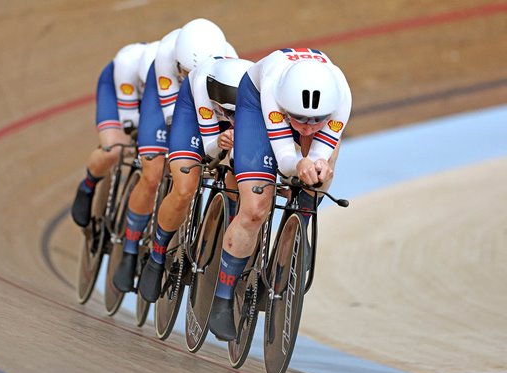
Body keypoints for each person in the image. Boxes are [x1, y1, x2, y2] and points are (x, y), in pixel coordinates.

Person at [207, 47, 352, 341]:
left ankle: (302, 220)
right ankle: (222, 297)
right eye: (298, 119)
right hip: (256, 105)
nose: (306, 128)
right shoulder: (274, 90)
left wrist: (317, 164)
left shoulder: (341, 97)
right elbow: (286, 156)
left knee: (325, 167)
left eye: (316, 120)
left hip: (303, 104)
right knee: (256, 208)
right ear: (287, 108)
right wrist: (298, 164)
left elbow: (321, 150)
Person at [111, 18, 237, 296]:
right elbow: (171, 116)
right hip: (168, 103)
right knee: (154, 172)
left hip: (209, 103)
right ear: (178, 64)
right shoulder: (167, 54)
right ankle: (131, 251)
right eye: (186, 71)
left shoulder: (230, 61)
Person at [131, 56, 254, 303]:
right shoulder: (200, 85)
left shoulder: (256, 91)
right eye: (229, 111)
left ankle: (228, 235)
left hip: (243, 112)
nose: (232, 116)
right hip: (195, 117)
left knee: (241, 179)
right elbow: (210, 149)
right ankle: (157, 255)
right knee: (185, 188)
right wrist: (220, 142)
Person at [70, 41, 159, 228]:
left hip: (159, 100)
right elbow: (129, 122)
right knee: (116, 148)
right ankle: (88, 184)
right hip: (118, 91)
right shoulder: (128, 63)